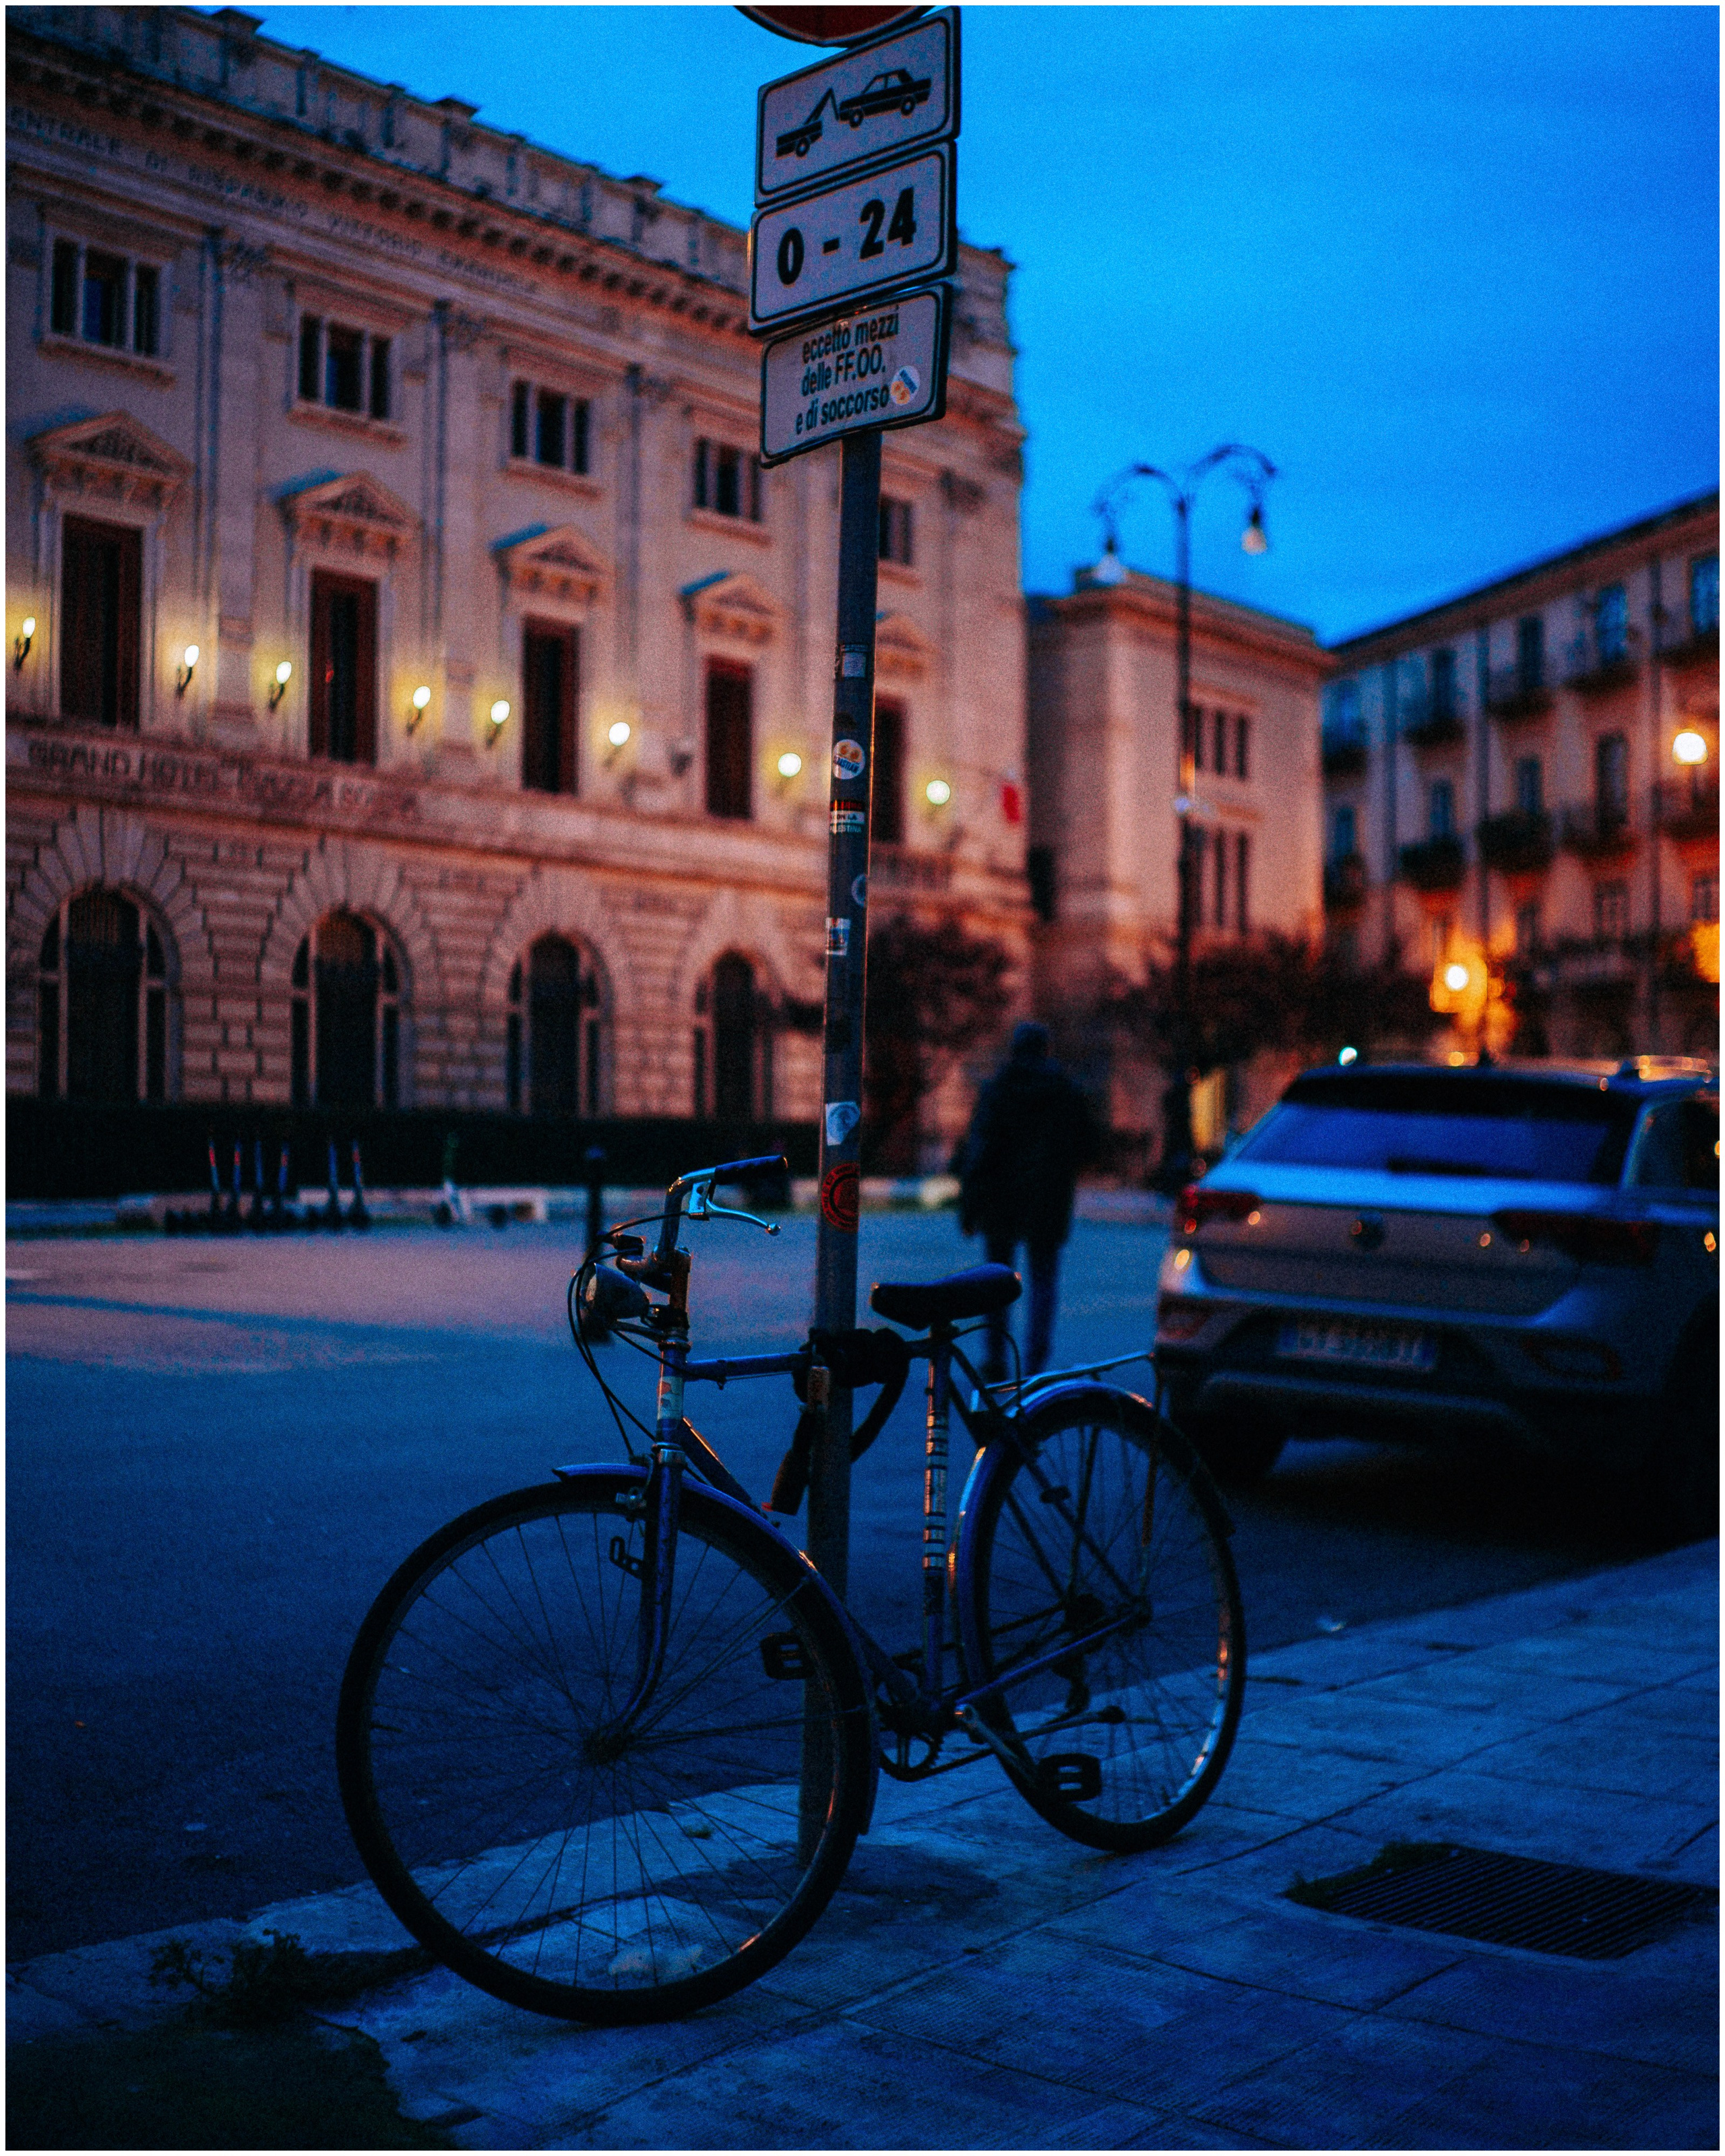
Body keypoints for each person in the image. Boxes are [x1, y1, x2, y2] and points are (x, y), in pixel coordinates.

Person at [955, 1020, 1100, 1381]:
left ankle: (996, 1357)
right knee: (1043, 1282)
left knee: (995, 1283)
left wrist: (970, 1206)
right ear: (1046, 1049)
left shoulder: (998, 1089)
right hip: (1048, 1199)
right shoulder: (1065, 1090)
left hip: (1000, 1199)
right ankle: (1035, 1362)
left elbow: (980, 1151)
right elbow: (1089, 1145)